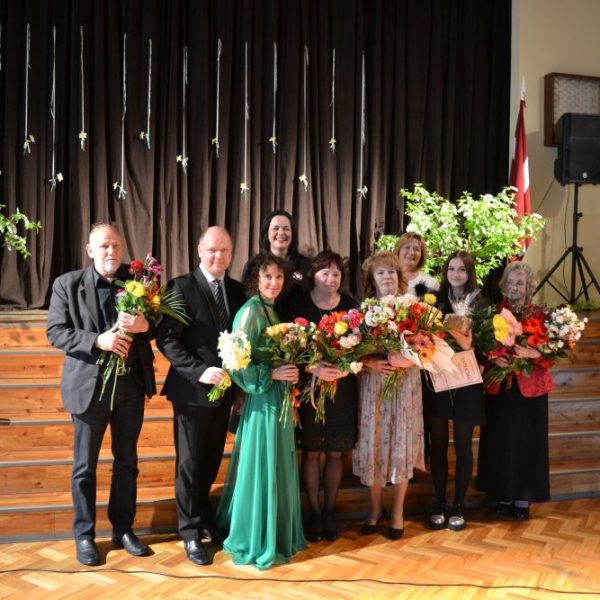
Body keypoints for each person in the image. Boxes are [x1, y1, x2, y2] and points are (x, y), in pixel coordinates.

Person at [46, 223, 156, 566]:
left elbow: (160, 324)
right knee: (84, 467)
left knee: (127, 463)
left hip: (130, 386)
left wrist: (145, 326)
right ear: (90, 250)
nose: (111, 252)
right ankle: (84, 534)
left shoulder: (138, 282)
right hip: (88, 388)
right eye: (104, 246)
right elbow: (56, 331)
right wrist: (97, 340)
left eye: (116, 246)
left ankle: (123, 529)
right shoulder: (67, 284)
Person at [156, 226, 246, 566]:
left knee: (210, 460)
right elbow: (168, 340)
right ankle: (189, 530)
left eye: (224, 250)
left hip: (225, 391)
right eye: (212, 250)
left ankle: (204, 516)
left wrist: (239, 387)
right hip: (191, 391)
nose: (218, 256)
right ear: (199, 250)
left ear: (231, 252)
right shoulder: (180, 287)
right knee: (190, 463)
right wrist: (199, 371)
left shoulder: (236, 290)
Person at [216, 252, 307, 570]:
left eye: (279, 277)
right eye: (267, 276)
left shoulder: (270, 309)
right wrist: (273, 374)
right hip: (262, 400)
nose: (274, 282)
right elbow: (235, 363)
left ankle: (275, 533)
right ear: (255, 278)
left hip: (278, 398)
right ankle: (255, 537)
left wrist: (290, 370)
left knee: (275, 464)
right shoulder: (251, 311)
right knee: (262, 466)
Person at [282, 250, 358, 542]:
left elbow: (360, 348)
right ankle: (313, 512)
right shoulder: (299, 305)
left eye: (336, 273)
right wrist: (312, 367)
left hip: (342, 388)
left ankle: (329, 511)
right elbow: (289, 346)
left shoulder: (350, 306)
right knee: (312, 452)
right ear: (313, 275)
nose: (331, 278)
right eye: (325, 272)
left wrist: (344, 368)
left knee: (336, 452)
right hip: (309, 388)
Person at [352, 251, 425, 540]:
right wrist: (371, 362)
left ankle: (397, 511)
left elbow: (427, 349)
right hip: (374, 385)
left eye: (391, 272)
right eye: (380, 272)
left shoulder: (414, 308)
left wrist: (404, 359)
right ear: (372, 279)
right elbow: (351, 351)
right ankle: (374, 509)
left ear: (399, 276)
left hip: (404, 385)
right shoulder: (363, 311)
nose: (387, 277)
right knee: (374, 443)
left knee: (399, 445)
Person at [476, 261, 553, 520]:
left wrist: (534, 353)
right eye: (510, 282)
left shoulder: (540, 315)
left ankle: (523, 496)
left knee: (527, 442)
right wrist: (493, 357)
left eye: (520, 283)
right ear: (504, 286)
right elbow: (482, 349)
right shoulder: (493, 314)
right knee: (499, 440)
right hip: (499, 388)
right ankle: (502, 494)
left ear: (529, 286)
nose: (514, 287)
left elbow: (553, 353)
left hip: (531, 388)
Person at [423, 251, 485, 531]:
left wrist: (469, 346)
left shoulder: (482, 304)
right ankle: (438, 502)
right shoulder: (434, 302)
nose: (456, 274)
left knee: (462, 444)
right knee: (437, 443)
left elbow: (488, 347)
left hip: (468, 381)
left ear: (469, 273)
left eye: (461, 269)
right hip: (439, 378)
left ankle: (459, 504)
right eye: (451, 269)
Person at [243, 210, 312, 307]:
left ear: (293, 233)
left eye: (286, 229)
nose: (281, 233)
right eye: (275, 228)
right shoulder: (254, 265)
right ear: (267, 233)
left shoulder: (306, 264)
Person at [394, 232, 439, 296]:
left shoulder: (431, 284)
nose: (412, 252)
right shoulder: (386, 277)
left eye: (416, 249)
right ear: (398, 251)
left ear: (421, 255)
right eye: (407, 247)